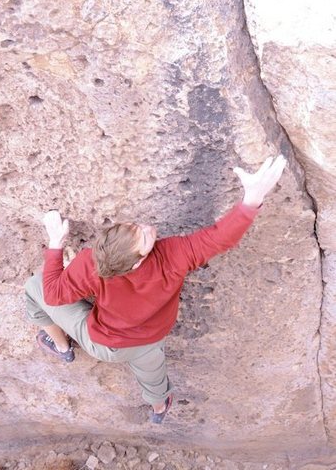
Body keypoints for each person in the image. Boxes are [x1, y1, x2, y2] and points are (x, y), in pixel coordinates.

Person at [25, 155, 286, 424]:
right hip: (149, 343)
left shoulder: (91, 263)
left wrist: (56, 244)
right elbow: (219, 239)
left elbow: (54, 293)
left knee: (35, 287)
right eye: (144, 235)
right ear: (138, 260)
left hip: (103, 343)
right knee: (155, 383)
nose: (149, 229)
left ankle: (60, 346)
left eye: (138, 229)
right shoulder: (172, 255)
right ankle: (159, 409)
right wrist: (252, 199)